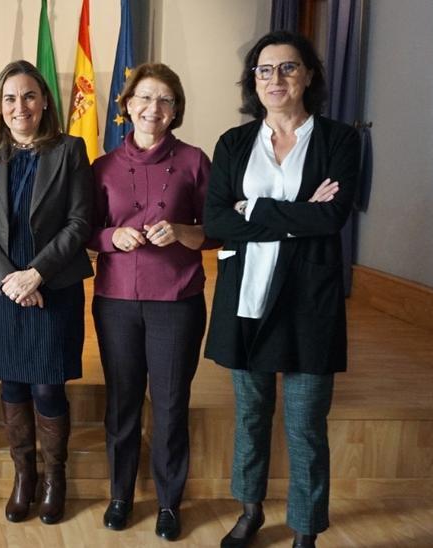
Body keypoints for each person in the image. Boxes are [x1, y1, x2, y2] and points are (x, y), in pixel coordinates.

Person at [204, 31, 360, 548]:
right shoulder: (232, 143)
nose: (276, 79)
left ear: (309, 75)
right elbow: (219, 220)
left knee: (306, 427)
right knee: (250, 417)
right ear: (254, 80)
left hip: (309, 303)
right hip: (246, 297)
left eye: (288, 68)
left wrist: (257, 210)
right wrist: (299, 215)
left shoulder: (339, 139)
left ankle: (306, 531)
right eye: (265, 70)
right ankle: (250, 512)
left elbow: (333, 216)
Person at [87, 63, 216, 541]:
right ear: (126, 106)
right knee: (121, 403)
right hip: (116, 300)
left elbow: (217, 230)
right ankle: (120, 495)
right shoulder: (102, 167)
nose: (153, 108)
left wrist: (182, 232)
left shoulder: (195, 161)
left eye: (164, 100)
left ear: (175, 109)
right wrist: (110, 235)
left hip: (176, 301)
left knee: (169, 403)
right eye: (144, 98)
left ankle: (168, 502)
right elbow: (85, 231)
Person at [0, 60, 92, 526]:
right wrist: (9, 280)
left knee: (47, 383)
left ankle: (56, 478)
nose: (21, 106)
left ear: (44, 102)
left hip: (53, 285)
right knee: (13, 384)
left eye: (30, 96)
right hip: (1, 289)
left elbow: (81, 222)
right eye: (11, 98)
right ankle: (25, 477)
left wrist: (35, 275)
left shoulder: (70, 150)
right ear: (1, 106)